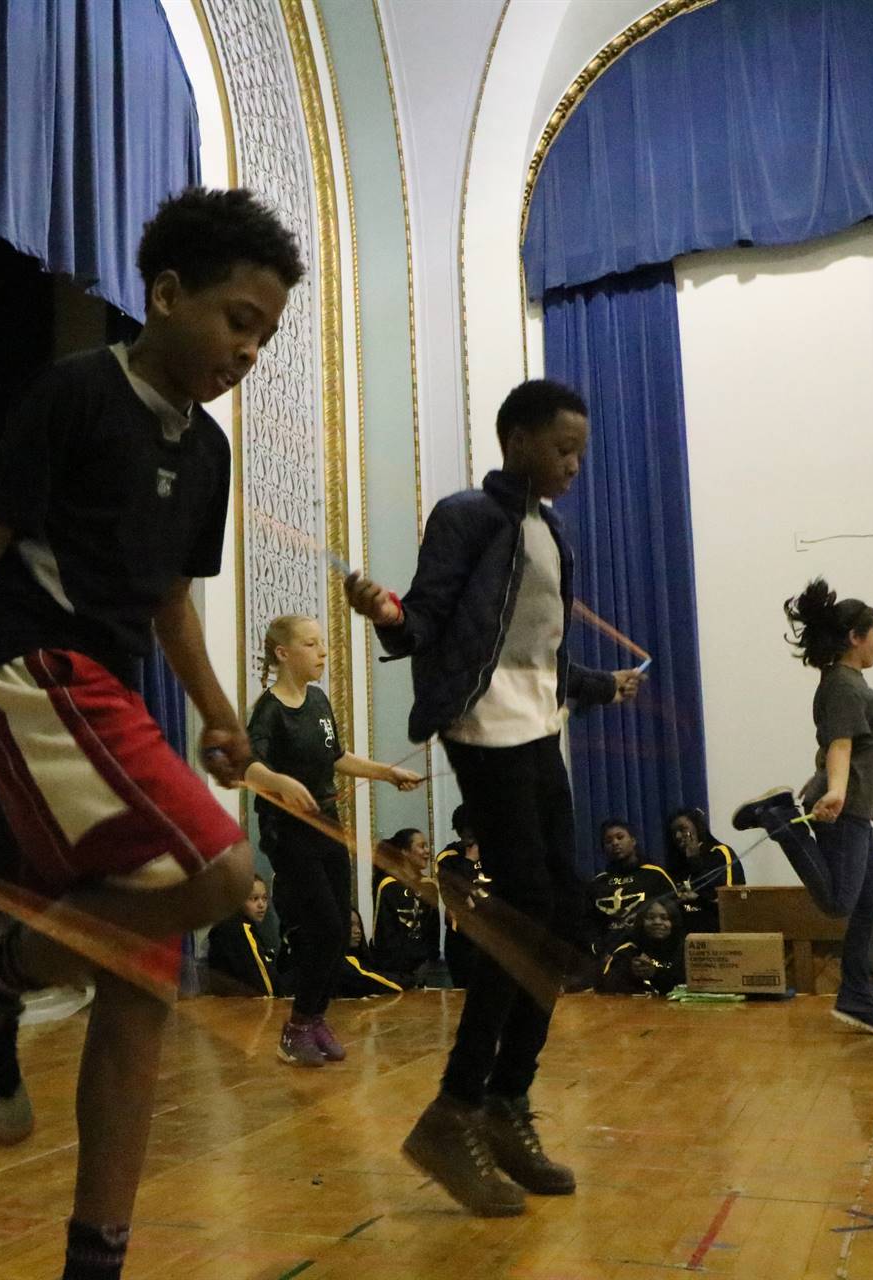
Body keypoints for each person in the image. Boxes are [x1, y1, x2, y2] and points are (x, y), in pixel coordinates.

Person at [0, 187, 303, 1280]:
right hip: (30, 670)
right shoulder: (76, 393)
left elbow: (172, 601)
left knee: (143, 981)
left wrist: (222, 714)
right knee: (226, 871)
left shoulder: (213, 455)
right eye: (238, 318)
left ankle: (95, 1263)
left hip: (116, 691)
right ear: (166, 293)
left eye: (267, 333)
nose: (250, 348)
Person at [345, 378, 643, 1216]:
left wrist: (595, 684)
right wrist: (386, 615)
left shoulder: (550, 530)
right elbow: (429, 622)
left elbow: (533, 652)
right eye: (562, 447)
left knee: (562, 920)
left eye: (580, 449)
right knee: (522, 914)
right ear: (516, 439)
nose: (574, 463)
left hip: (538, 724)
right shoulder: (467, 516)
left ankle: (506, 1101)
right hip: (482, 728)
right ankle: (456, 1108)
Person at [731, 578, 873, 1037]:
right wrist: (837, 793)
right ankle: (777, 818)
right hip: (842, 809)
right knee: (837, 902)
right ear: (855, 638)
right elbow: (840, 746)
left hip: (854, 810)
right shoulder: (844, 686)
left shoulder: (848, 682)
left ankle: (858, 1000)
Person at [246, 613, 421, 1066]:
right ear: (283, 654)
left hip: (329, 826)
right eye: (311, 644)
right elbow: (248, 767)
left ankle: (314, 1016)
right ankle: (297, 1027)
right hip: (290, 835)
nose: (322, 652)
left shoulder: (320, 701)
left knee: (340, 927)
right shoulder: (269, 710)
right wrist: (280, 783)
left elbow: (337, 757)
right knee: (322, 925)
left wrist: (386, 773)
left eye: (322, 643)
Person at [586, 820, 676, 950]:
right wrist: (595, 947)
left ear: (633, 841)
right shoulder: (598, 883)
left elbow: (674, 915)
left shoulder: (655, 875)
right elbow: (588, 922)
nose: (615, 843)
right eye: (608, 841)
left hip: (648, 950)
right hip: (609, 954)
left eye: (620, 837)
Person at [372, 829, 439, 985]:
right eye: (422, 846)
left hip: (422, 968)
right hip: (393, 970)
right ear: (404, 852)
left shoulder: (429, 885)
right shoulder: (388, 885)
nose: (427, 851)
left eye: (427, 846)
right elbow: (383, 933)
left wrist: (429, 959)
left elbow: (432, 928)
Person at [436, 808, 493, 988]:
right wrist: (469, 860)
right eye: (463, 834)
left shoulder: (497, 853)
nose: (467, 839)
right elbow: (453, 895)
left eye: (472, 835)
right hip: (463, 940)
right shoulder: (448, 857)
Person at [205, 877, 288, 997]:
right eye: (254, 899)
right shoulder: (239, 928)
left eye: (264, 898)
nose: (261, 905)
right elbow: (265, 986)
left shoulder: (235, 925)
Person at [666, 808, 743, 935]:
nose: (678, 836)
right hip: (686, 933)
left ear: (697, 827)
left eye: (682, 829)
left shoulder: (720, 853)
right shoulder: (676, 864)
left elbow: (728, 900)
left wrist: (695, 861)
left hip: (718, 929)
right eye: (674, 832)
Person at [597, 900, 684, 996]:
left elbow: (687, 986)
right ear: (641, 921)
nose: (657, 922)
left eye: (664, 918)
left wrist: (654, 974)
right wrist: (632, 973)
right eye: (650, 918)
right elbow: (605, 987)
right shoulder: (628, 949)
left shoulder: (684, 948)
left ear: (674, 922)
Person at [334, 908, 405, 998]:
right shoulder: (340, 962)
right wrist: (411, 980)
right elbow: (377, 982)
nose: (358, 931)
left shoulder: (360, 958)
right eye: (350, 925)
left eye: (359, 925)